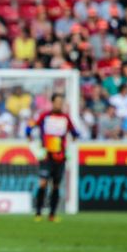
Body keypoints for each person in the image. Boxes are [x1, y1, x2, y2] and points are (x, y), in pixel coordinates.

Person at [25, 93, 79, 222]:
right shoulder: (45, 116)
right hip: (47, 156)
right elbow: (30, 126)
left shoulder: (66, 118)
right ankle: (38, 212)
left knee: (56, 186)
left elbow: (75, 133)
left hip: (60, 158)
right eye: (57, 102)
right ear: (52, 103)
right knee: (43, 183)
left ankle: (52, 214)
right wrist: (31, 140)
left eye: (61, 102)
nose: (59, 104)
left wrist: (69, 147)